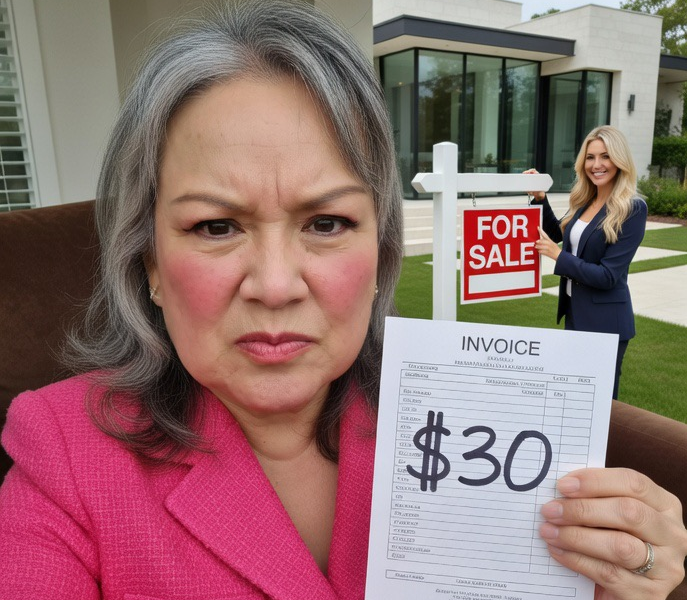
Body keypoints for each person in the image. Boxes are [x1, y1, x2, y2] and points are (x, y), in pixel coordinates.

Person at [0, 2, 685, 598]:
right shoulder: (63, 453)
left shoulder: (476, 428)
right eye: (215, 226)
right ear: (149, 261)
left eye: (326, 223)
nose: (275, 285)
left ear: (380, 255)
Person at [526, 125, 648, 399]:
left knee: (600, 404)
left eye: (605, 156)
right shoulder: (586, 200)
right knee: (573, 399)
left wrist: (558, 256)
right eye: (590, 157)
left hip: (606, 324)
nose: (596, 165)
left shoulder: (633, 208)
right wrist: (540, 199)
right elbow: (558, 234)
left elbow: (607, 276)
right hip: (575, 313)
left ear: (619, 160)